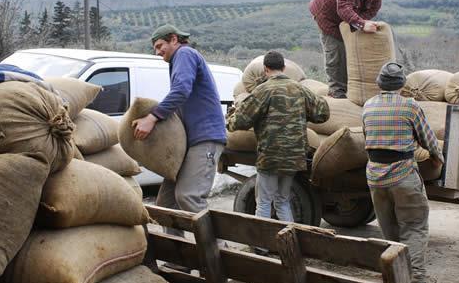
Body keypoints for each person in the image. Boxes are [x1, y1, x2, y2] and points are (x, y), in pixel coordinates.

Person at [226, 51, 329, 254]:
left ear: (265, 69)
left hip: (270, 157)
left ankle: (262, 247)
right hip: (295, 156)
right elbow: (322, 113)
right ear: (283, 68)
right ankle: (291, 244)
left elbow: (240, 121)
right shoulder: (300, 89)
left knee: (264, 202)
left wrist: (229, 120)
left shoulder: (263, 90)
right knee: (283, 200)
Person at [132, 24, 226, 238]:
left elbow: (181, 90)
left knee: (189, 196)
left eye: (159, 45)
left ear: (174, 39)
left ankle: (221, 255)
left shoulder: (185, 53)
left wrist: (152, 117)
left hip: (205, 138)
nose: (157, 52)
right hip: (189, 143)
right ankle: (179, 259)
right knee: (166, 202)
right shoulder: (178, 60)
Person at [362, 62, 444, 283]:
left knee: (390, 230)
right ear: (402, 85)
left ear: (379, 84)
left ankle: (395, 279)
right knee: (415, 227)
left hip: (375, 177)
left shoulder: (368, 106)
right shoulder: (410, 106)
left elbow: (367, 137)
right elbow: (428, 140)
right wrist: (438, 158)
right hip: (403, 175)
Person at [309, 0, 385, 98]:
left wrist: (359, 20)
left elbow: (373, 9)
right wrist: (361, 24)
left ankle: (352, 87)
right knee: (336, 51)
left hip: (349, 18)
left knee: (351, 50)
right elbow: (343, 7)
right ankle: (337, 91)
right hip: (327, 16)